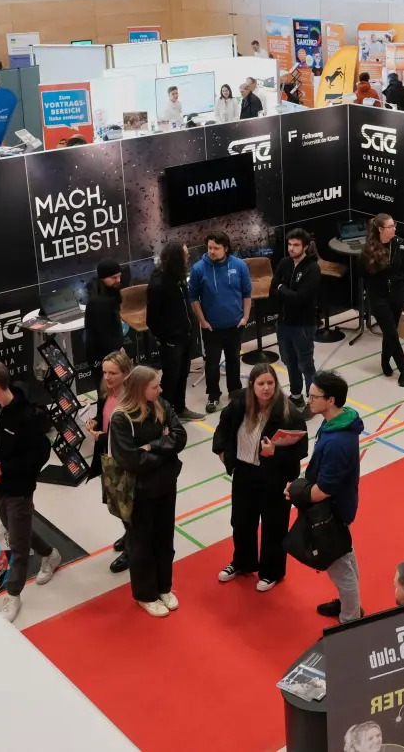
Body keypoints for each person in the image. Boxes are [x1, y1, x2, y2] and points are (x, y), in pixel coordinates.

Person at [0, 362, 60, 622]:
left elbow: (39, 454)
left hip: (20, 487)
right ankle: (50, 553)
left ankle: (13, 595)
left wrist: (6, 467)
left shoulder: (26, 416)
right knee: (17, 529)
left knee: (18, 544)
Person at [214, 364, 307, 592]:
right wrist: (221, 450)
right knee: (241, 522)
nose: (266, 388)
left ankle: (271, 571)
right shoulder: (239, 404)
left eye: (270, 383)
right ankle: (242, 562)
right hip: (245, 473)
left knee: (274, 526)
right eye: (261, 383)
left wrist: (276, 452)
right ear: (252, 385)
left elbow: (301, 449)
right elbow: (223, 427)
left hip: (274, 477)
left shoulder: (288, 412)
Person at [110, 365, 188, 618]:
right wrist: (164, 454)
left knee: (165, 539)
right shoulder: (121, 418)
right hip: (140, 493)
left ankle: (164, 586)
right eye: (155, 386)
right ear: (141, 389)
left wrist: (151, 447)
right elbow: (131, 461)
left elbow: (180, 436)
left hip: (166, 486)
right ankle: (145, 594)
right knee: (142, 544)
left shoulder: (161, 404)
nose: (160, 389)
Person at [300, 370, 363, 623]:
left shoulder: (338, 442)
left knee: (341, 568)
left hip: (333, 511)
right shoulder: (335, 422)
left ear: (331, 401)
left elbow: (323, 490)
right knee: (345, 558)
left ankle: (350, 618)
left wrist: (296, 492)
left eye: (314, 397)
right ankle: (349, 605)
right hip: (341, 506)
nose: (309, 401)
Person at [189, 231, 252, 413]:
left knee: (234, 360)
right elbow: (193, 298)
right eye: (209, 248)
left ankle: (235, 391)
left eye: (216, 248)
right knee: (212, 364)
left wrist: (245, 317)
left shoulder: (239, 265)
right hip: (212, 328)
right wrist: (202, 321)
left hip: (235, 324)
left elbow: (247, 293)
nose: (212, 251)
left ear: (226, 248)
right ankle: (213, 396)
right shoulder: (199, 269)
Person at [85, 349, 135, 574]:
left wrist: (103, 436)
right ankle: (128, 535)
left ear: (126, 373)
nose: (107, 377)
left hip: (125, 461)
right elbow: (103, 416)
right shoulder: (106, 393)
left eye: (113, 373)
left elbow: (129, 435)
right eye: (105, 372)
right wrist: (95, 422)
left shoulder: (133, 398)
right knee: (117, 505)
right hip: (108, 459)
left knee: (129, 508)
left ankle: (133, 550)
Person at [146, 241, 200, 421]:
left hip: (185, 337)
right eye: (185, 254)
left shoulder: (178, 276)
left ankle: (180, 408)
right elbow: (152, 320)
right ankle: (164, 417)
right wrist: (166, 339)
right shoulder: (158, 284)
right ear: (177, 258)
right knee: (169, 380)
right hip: (171, 342)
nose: (188, 257)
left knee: (183, 374)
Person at [272, 228, 321, 406]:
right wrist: (284, 291)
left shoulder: (312, 269)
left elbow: (301, 299)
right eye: (290, 244)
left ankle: (312, 400)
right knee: (289, 362)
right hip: (283, 323)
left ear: (305, 247)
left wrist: (282, 289)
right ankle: (296, 395)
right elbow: (272, 289)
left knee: (305, 364)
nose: (291, 248)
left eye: (296, 245)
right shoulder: (284, 263)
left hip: (303, 326)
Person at [362, 214, 404, 386]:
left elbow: (403, 268)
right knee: (391, 333)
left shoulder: (400, 244)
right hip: (378, 296)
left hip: (397, 293)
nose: (394, 228)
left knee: (390, 332)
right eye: (390, 226)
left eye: (394, 225)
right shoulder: (369, 249)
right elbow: (364, 273)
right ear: (381, 229)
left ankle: (384, 361)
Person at [83, 259, 126, 385]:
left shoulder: (110, 293)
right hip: (103, 357)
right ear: (103, 278)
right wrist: (117, 354)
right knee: (106, 393)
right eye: (113, 277)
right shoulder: (97, 303)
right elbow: (101, 335)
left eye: (119, 276)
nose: (118, 280)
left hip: (112, 353)